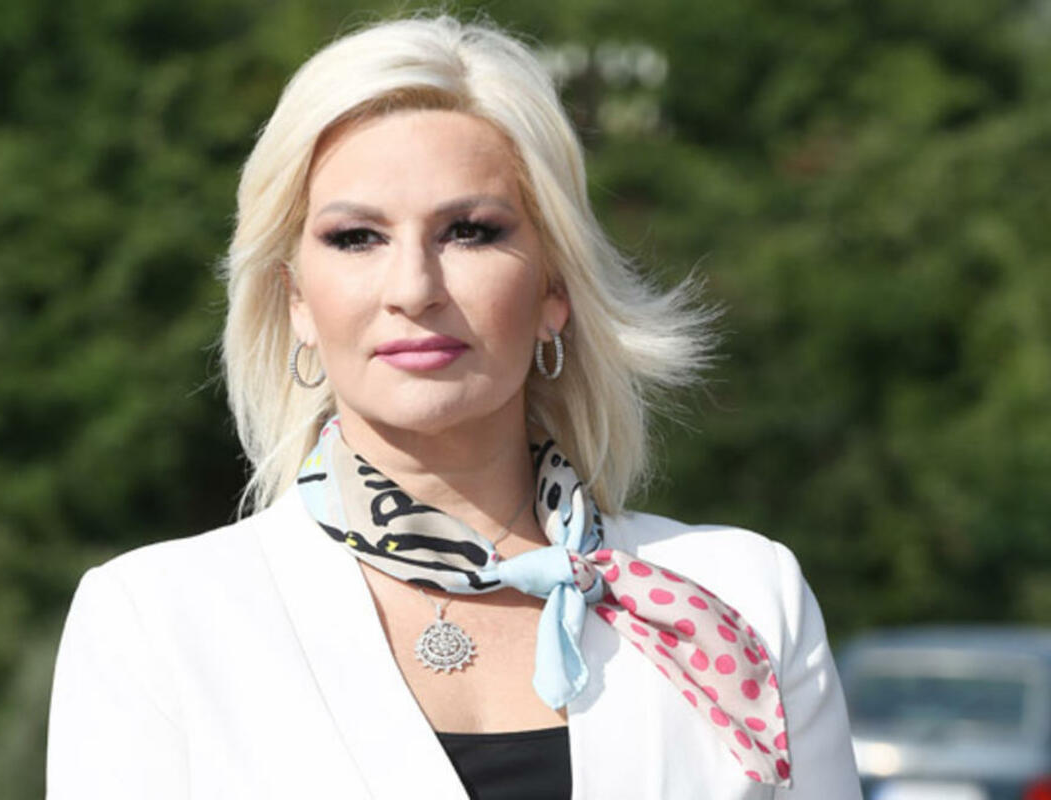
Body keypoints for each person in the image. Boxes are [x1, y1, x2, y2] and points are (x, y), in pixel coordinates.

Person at [46, 14, 861, 800]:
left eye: (469, 231)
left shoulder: (742, 596)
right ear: (295, 300)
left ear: (554, 290)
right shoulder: (158, 621)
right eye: (356, 237)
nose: (414, 288)